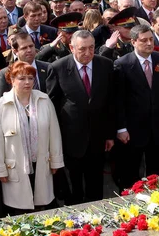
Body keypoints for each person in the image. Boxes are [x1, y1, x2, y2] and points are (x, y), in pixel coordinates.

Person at [47, 30, 115, 204]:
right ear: (71, 48)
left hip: (97, 137)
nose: (88, 53)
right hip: (70, 138)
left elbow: (110, 103)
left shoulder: (106, 65)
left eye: (91, 48)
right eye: (82, 49)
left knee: (96, 185)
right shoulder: (58, 68)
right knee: (74, 187)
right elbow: (52, 105)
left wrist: (109, 134)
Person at [0, 61, 64, 213]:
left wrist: (56, 160)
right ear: (11, 80)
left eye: (31, 78)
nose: (27, 82)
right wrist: (0, 169)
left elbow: (54, 133)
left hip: (41, 162)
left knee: (43, 206)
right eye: (22, 78)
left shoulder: (44, 99)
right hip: (15, 166)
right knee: (19, 208)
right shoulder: (1, 104)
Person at [113, 25, 159, 190]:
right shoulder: (123, 64)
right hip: (133, 129)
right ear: (133, 42)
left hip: (157, 126)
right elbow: (118, 100)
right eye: (144, 40)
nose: (149, 43)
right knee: (131, 170)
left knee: (156, 171)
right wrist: (121, 128)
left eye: (151, 39)